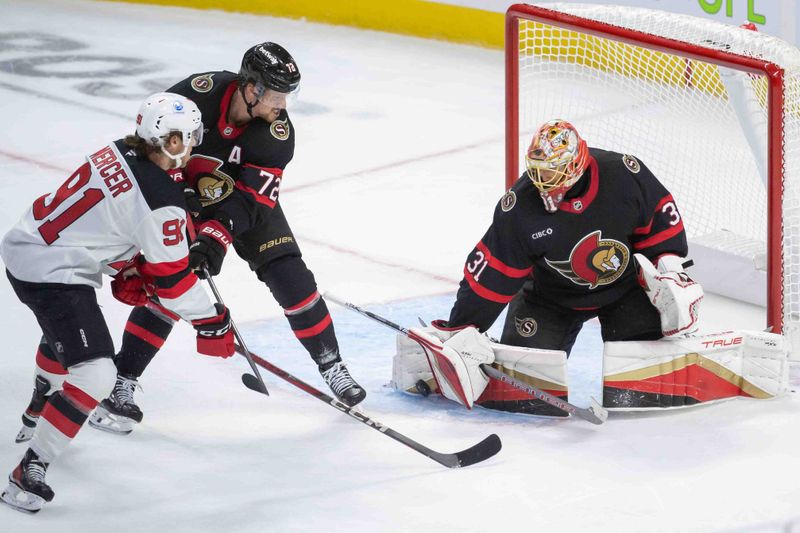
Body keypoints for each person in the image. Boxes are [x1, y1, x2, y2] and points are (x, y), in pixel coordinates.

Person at [80, 42, 365, 435]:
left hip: (242, 204)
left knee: (292, 277)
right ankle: (120, 382)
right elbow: (153, 149)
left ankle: (333, 366)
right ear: (251, 88)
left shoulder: (277, 134)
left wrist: (216, 235)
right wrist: (181, 199)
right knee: (172, 284)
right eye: (276, 94)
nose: (283, 105)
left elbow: (253, 198)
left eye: (288, 95)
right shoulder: (197, 94)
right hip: (180, 200)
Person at [0, 93, 235, 513]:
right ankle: (27, 472)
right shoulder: (161, 199)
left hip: (28, 242)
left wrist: (127, 264)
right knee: (96, 375)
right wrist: (213, 321)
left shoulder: (120, 148)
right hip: (52, 273)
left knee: (68, 334)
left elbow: (107, 218)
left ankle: (39, 405)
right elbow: (175, 284)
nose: (193, 145)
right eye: (186, 138)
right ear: (166, 139)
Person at [418, 119, 703, 408]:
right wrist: (461, 329)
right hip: (549, 298)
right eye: (539, 168)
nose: (543, 177)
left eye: (552, 169)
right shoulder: (519, 208)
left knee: (645, 389)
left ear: (576, 163)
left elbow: (660, 224)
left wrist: (671, 270)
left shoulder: (623, 176)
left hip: (624, 291)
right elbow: (492, 277)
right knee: (524, 392)